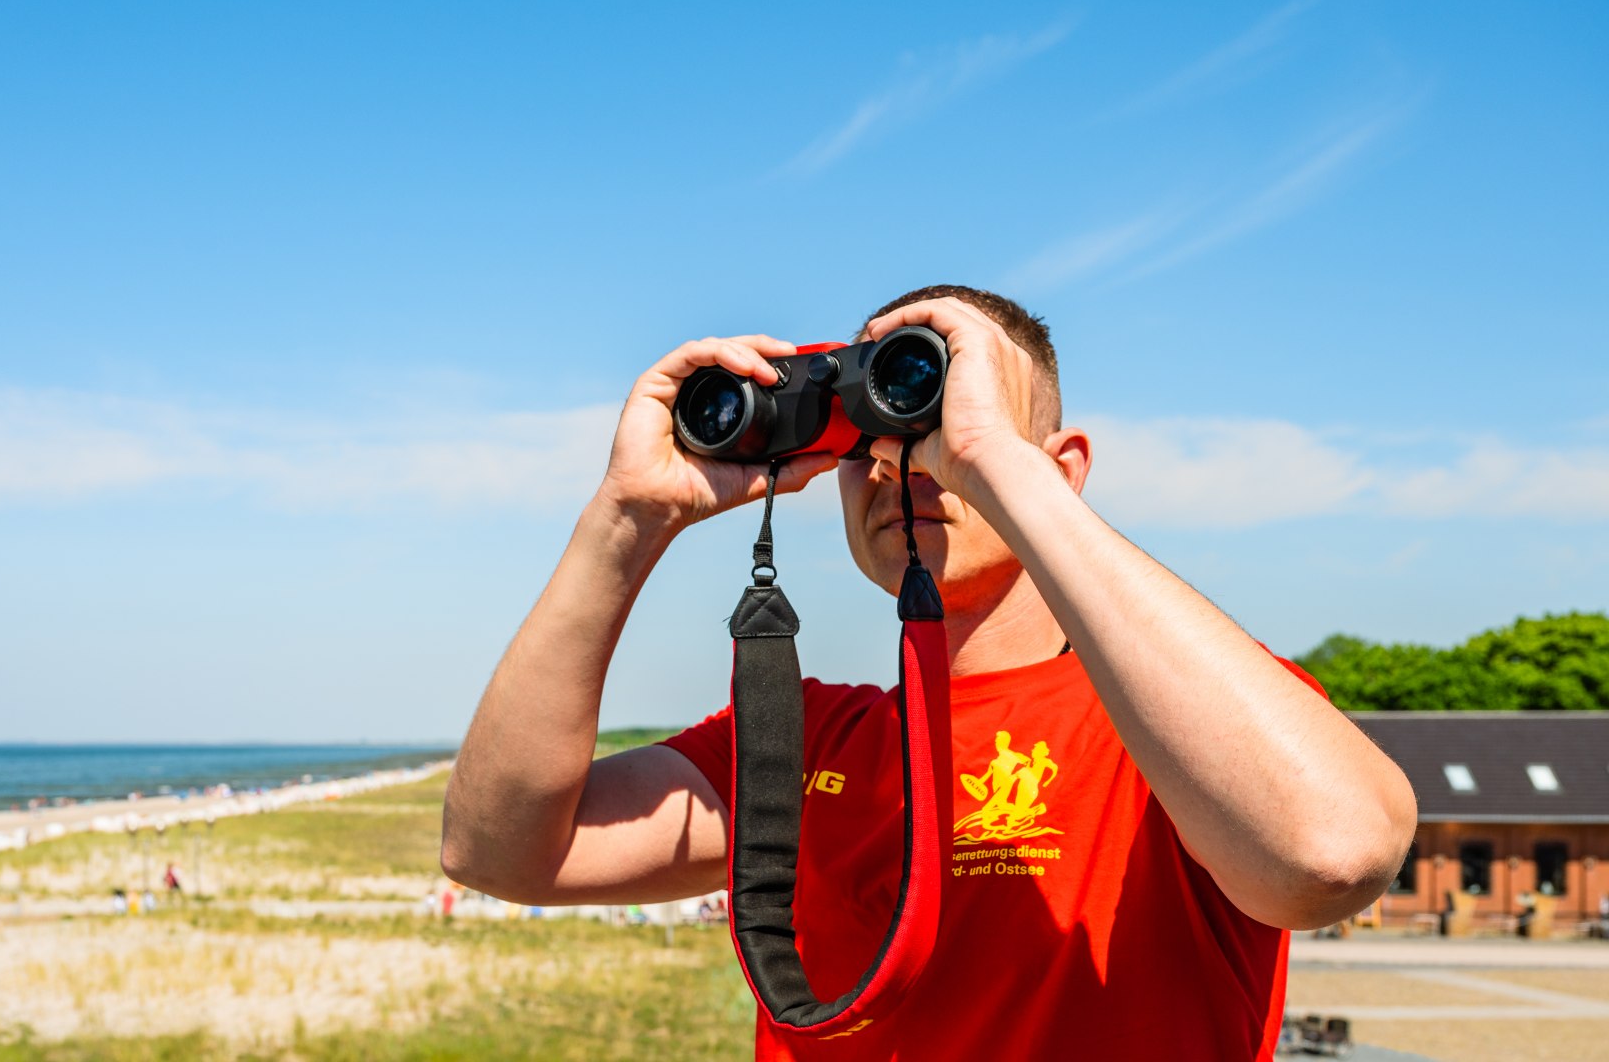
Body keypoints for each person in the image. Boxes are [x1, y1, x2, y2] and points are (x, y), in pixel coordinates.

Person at [442, 285, 1419, 1059]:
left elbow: (1329, 853)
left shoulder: (1181, 722)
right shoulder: (805, 744)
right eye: (868, 439)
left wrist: (993, 454)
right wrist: (626, 516)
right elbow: (502, 849)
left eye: (936, 426)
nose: (906, 467)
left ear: (1061, 468)